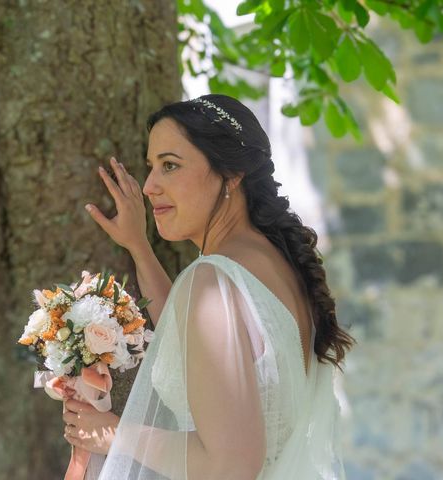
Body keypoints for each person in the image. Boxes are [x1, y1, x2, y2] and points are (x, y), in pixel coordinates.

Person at [61, 94, 355, 479]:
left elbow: (229, 466)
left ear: (230, 175)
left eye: (170, 166)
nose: (149, 186)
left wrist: (115, 433)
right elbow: (201, 347)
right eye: (151, 167)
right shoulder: (272, 264)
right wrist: (139, 246)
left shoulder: (213, 280)